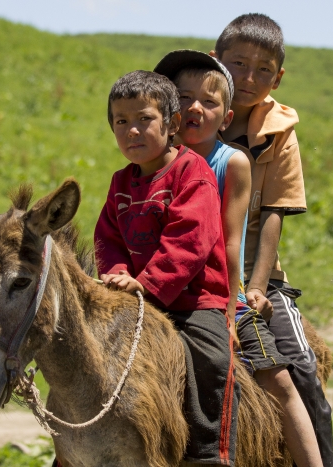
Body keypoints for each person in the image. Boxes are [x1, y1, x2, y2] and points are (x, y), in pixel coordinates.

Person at [154, 50, 322, 467]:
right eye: (183, 98)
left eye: (209, 102)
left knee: (277, 378)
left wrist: (233, 303)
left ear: (226, 119)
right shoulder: (150, 161)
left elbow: (231, 241)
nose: (195, 107)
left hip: (215, 291)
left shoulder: (232, 162)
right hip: (160, 289)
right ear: (167, 109)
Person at [94, 70, 238, 466]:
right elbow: (108, 237)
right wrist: (116, 274)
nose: (132, 131)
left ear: (172, 124)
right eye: (121, 122)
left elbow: (190, 242)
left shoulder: (193, 174)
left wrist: (145, 284)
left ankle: (210, 450)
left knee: (211, 357)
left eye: (144, 119)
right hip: (135, 293)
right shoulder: (120, 181)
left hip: (193, 300)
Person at [211, 13, 333, 466]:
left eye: (263, 70)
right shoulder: (189, 117)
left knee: (302, 370)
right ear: (215, 60)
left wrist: (257, 286)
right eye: (238, 64)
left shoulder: (280, 133)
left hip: (253, 271)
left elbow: (274, 216)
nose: (248, 78)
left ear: (278, 77)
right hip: (191, 264)